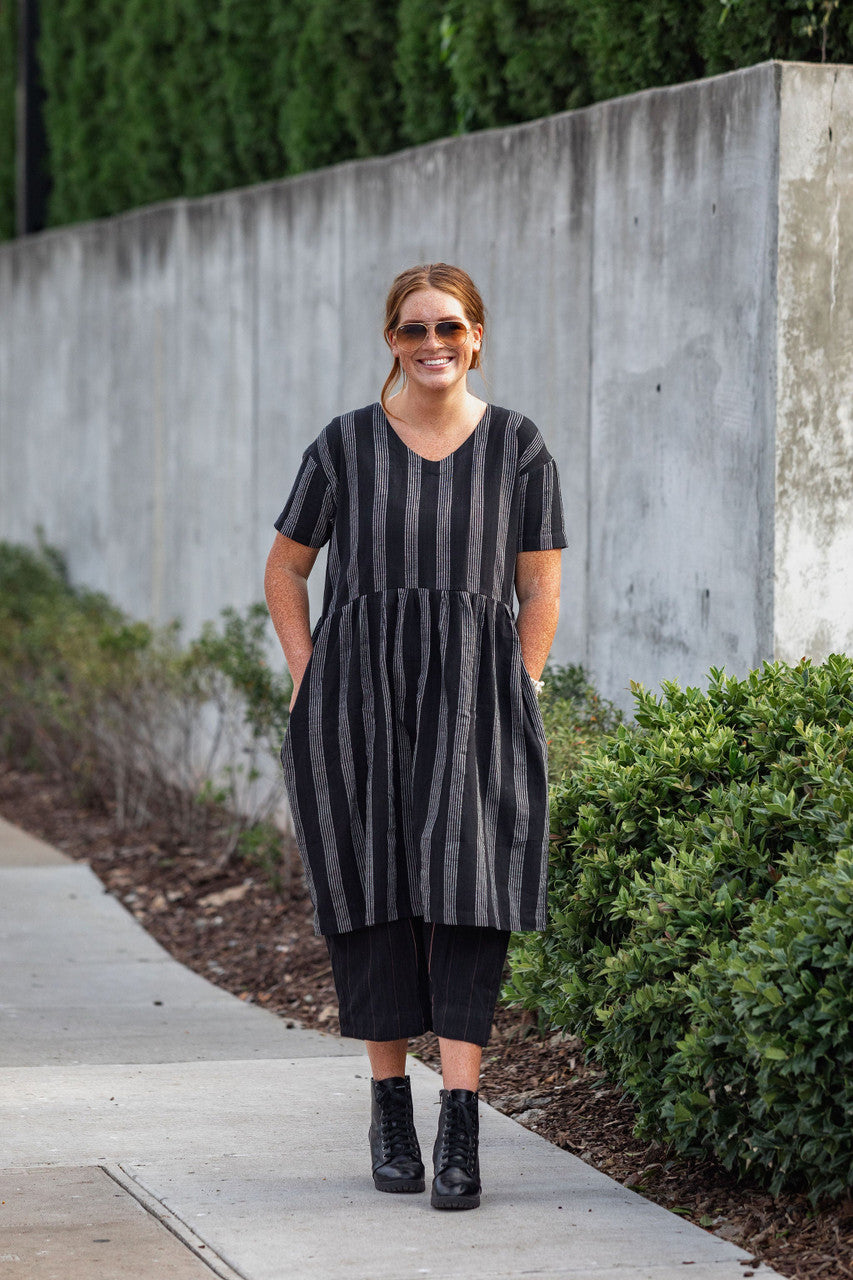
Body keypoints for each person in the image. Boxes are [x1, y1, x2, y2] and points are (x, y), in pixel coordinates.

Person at [264, 262, 567, 1210]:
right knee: (373, 890)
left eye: (447, 328)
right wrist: (310, 675)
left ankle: (462, 1127)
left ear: (476, 335)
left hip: (477, 700)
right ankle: (390, 1108)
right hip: (356, 701)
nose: (431, 345)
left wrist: (519, 684)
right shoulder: (345, 446)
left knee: (469, 893)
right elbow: (285, 570)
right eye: (411, 331)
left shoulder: (518, 446)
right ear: (390, 341)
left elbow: (540, 586)